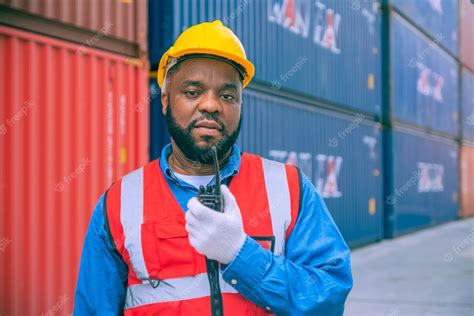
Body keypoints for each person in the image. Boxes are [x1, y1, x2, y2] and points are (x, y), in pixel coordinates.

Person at [74, 20, 352, 315]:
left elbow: (328, 297)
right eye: (193, 92)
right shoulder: (120, 203)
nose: (211, 105)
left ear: (241, 105)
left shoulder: (289, 188)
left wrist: (240, 254)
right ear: (166, 101)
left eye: (227, 95)